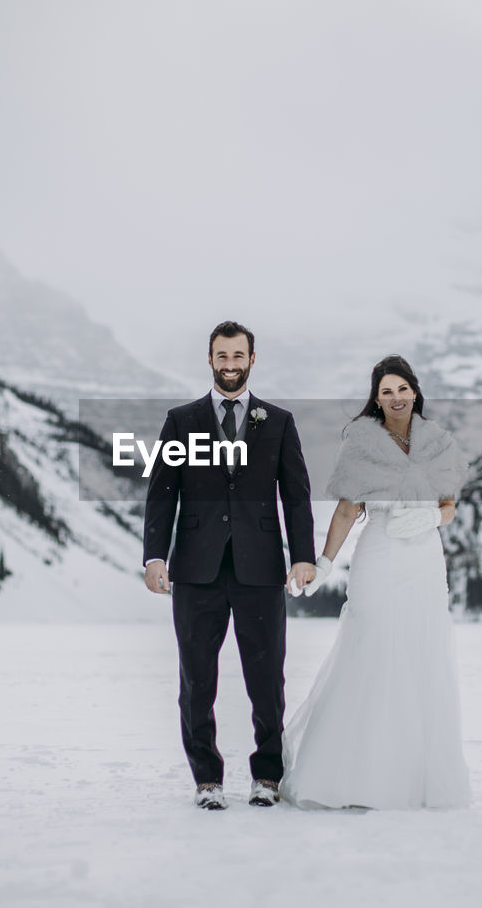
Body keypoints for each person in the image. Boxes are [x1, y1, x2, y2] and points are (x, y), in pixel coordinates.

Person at [280, 354, 472, 810]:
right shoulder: (362, 441)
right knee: (372, 648)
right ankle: (351, 777)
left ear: (414, 391)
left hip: (424, 557)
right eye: (386, 391)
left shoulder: (438, 442)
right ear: (377, 398)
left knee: (419, 654)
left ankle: (410, 779)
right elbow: (348, 508)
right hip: (380, 554)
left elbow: (449, 503)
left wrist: (433, 516)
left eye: (402, 389)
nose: (395, 397)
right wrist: (324, 561)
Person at [143, 321, 316, 810]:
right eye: (222, 355)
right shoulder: (181, 421)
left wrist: (302, 556)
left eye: (238, 355)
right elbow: (161, 494)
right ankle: (207, 779)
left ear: (252, 359)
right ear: (211, 358)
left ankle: (267, 776)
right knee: (196, 678)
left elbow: (297, 496)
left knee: (267, 679)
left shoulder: (278, 422)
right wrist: (155, 555)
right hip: (195, 570)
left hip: (260, 569)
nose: (230, 364)